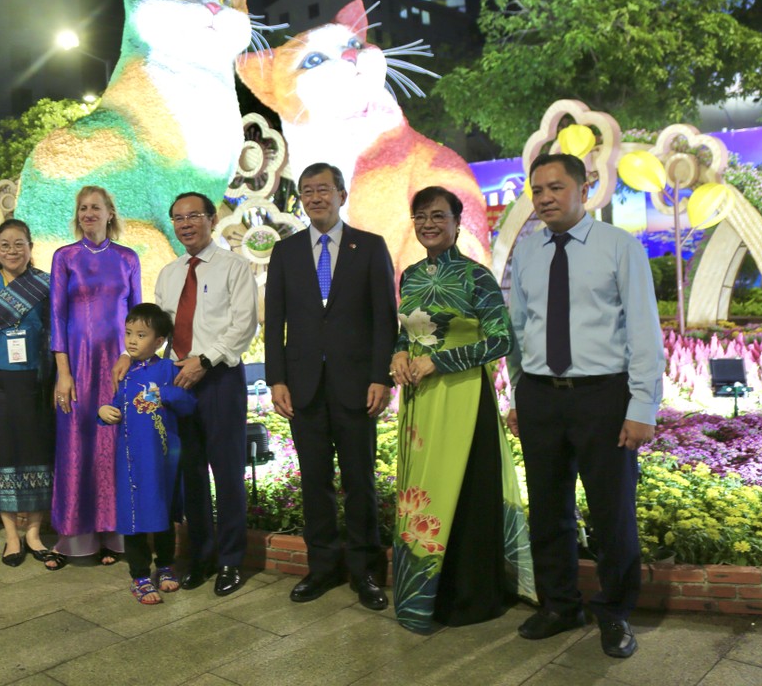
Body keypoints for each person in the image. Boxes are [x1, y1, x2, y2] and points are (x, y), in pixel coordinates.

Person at [506, 154, 664, 659]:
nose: (545, 197)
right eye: (537, 190)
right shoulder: (527, 251)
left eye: (556, 187)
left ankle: (615, 612)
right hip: (539, 398)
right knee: (549, 510)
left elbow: (643, 329)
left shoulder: (620, 248)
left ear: (584, 188)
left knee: (611, 512)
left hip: (603, 397)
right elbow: (518, 329)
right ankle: (559, 604)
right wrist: (518, 392)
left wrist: (642, 406)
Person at [389, 185, 535, 632]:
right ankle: (425, 595)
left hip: (463, 397)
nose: (428, 224)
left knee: (466, 491)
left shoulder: (477, 277)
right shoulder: (410, 275)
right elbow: (410, 330)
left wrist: (440, 360)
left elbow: (500, 340)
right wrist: (397, 354)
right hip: (420, 402)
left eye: (438, 216)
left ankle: (471, 596)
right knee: (424, 492)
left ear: (457, 223)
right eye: (421, 217)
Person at [264, 163, 395, 611]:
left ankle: (365, 572)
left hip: (358, 386)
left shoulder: (370, 247)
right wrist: (276, 378)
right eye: (307, 191)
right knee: (314, 481)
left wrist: (381, 376)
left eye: (323, 190)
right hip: (303, 388)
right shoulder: (286, 252)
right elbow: (275, 320)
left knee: (360, 481)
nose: (315, 198)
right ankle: (321, 568)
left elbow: (385, 320)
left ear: (342, 194)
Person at [145, 192, 258, 596]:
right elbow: (159, 330)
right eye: (178, 218)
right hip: (178, 383)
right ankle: (201, 558)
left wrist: (204, 361)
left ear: (211, 219)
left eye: (194, 216)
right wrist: (135, 357)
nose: (185, 224)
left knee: (227, 475)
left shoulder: (234, 267)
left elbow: (244, 327)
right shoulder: (169, 273)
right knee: (190, 476)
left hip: (219, 381)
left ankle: (230, 561)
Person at [48, 186, 141, 565]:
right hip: (77, 369)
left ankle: (115, 537)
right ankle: (76, 538)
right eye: (83, 208)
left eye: (95, 208)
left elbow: (138, 317)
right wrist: (63, 374)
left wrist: (131, 359)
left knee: (114, 446)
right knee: (77, 446)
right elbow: (57, 316)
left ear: (110, 214)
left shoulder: (128, 258)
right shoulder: (64, 257)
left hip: (119, 366)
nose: (88, 213)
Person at [0, 218, 57, 569]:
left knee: (37, 457)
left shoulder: (47, 285)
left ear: (30, 247)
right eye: (5, 244)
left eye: (19, 244)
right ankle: (12, 538)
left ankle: (33, 533)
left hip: (37, 384)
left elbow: (58, 337)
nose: (12, 250)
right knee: (3, 458)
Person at [100, 303, 197, 604]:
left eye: (140, 335)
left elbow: (189, 404)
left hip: (163, 460)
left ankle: (165, 566)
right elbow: (113, 405)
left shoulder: (168, 369)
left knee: (164, 512)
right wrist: (102, 411)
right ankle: (140, 575)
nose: (131, 341)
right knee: (134, 516)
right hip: (130, 462)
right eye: (128, 333)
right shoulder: (125, 374)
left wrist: (164, 393)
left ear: (159, 341)